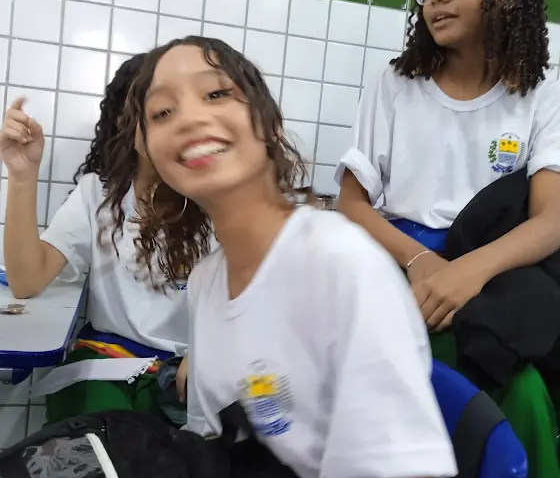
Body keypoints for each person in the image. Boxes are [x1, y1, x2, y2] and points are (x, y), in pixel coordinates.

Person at [121, 34, 457, 478]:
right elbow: (209, 442)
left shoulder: (338, 262)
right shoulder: (206, 282)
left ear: (270, 124)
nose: (189, 118)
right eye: (163, 112)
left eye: (216, 93)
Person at [336, 0, 560, 476]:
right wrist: (421, 262)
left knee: (524, 390)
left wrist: (469, 272)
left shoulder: (542, 91)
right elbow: (351, 205)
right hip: (402, 259)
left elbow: (551, 220)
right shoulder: (395, 83)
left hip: (495, 272)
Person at [0, 54, 210, 424]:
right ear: (126, 122)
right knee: (103, 443)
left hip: (185, 375)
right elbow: (26, 280)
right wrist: (22, 174)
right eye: (156, 111)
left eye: (175, 111)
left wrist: (209, 352)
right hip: (105, 364)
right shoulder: (98, 194)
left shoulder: (214, 202)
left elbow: (246, 296)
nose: (170, 124)